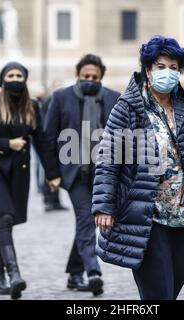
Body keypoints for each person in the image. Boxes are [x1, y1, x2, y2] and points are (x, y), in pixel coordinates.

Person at [92, 36, 184, 300]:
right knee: (159, 292)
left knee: (177, 278)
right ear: (148, 70)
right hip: (146, 213)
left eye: (172, 67)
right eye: (160, 66)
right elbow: (109, 159)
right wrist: (104, 206)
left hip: (181, 215)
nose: (166, 72)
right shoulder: (128, 108)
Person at [0, 62, 60, 299]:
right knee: (5, 217)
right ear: (2, 79)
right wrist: (7, 144)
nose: (15, 78)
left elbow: (42, 142)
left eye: (19, 75)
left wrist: (52, 175)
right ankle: (14, 274)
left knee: (7, 224)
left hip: (19, 173)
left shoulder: (32, 106)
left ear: (25, 79)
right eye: (10, 75)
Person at [45, 54, 120, 295]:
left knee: (85, 223)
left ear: (101, 78)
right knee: (87, 219)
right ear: (78, 75)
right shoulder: (60, 97)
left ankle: (74, 273)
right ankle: (93, 271)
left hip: (103, 173)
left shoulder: (113, 98)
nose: (90, 80)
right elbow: (48, 138)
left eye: (94, 77)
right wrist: (52, 174)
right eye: (85, 76)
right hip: (74, 172)